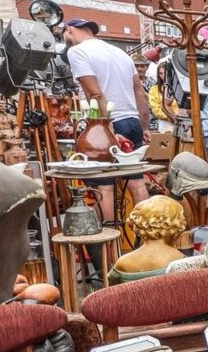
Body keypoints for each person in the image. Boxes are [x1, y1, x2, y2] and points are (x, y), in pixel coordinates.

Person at [63, 17, 150, 223]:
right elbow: (140, 94)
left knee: (104, 186)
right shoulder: (121, 53)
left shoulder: (77, 51)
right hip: (131, 121)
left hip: (105, 123)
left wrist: (106, 130)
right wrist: (144, 127)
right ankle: (149, 236)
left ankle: (109, 248)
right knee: (136, 183)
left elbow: (95, 94)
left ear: (69, 30)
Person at [148, 61, 179, 134]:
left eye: (166, 73)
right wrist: (170, 117)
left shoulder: (178, 87)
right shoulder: (154, 89)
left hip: (180, 121)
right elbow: (156, 109)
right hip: (164, 123)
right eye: (160, 73)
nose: (163, 76)